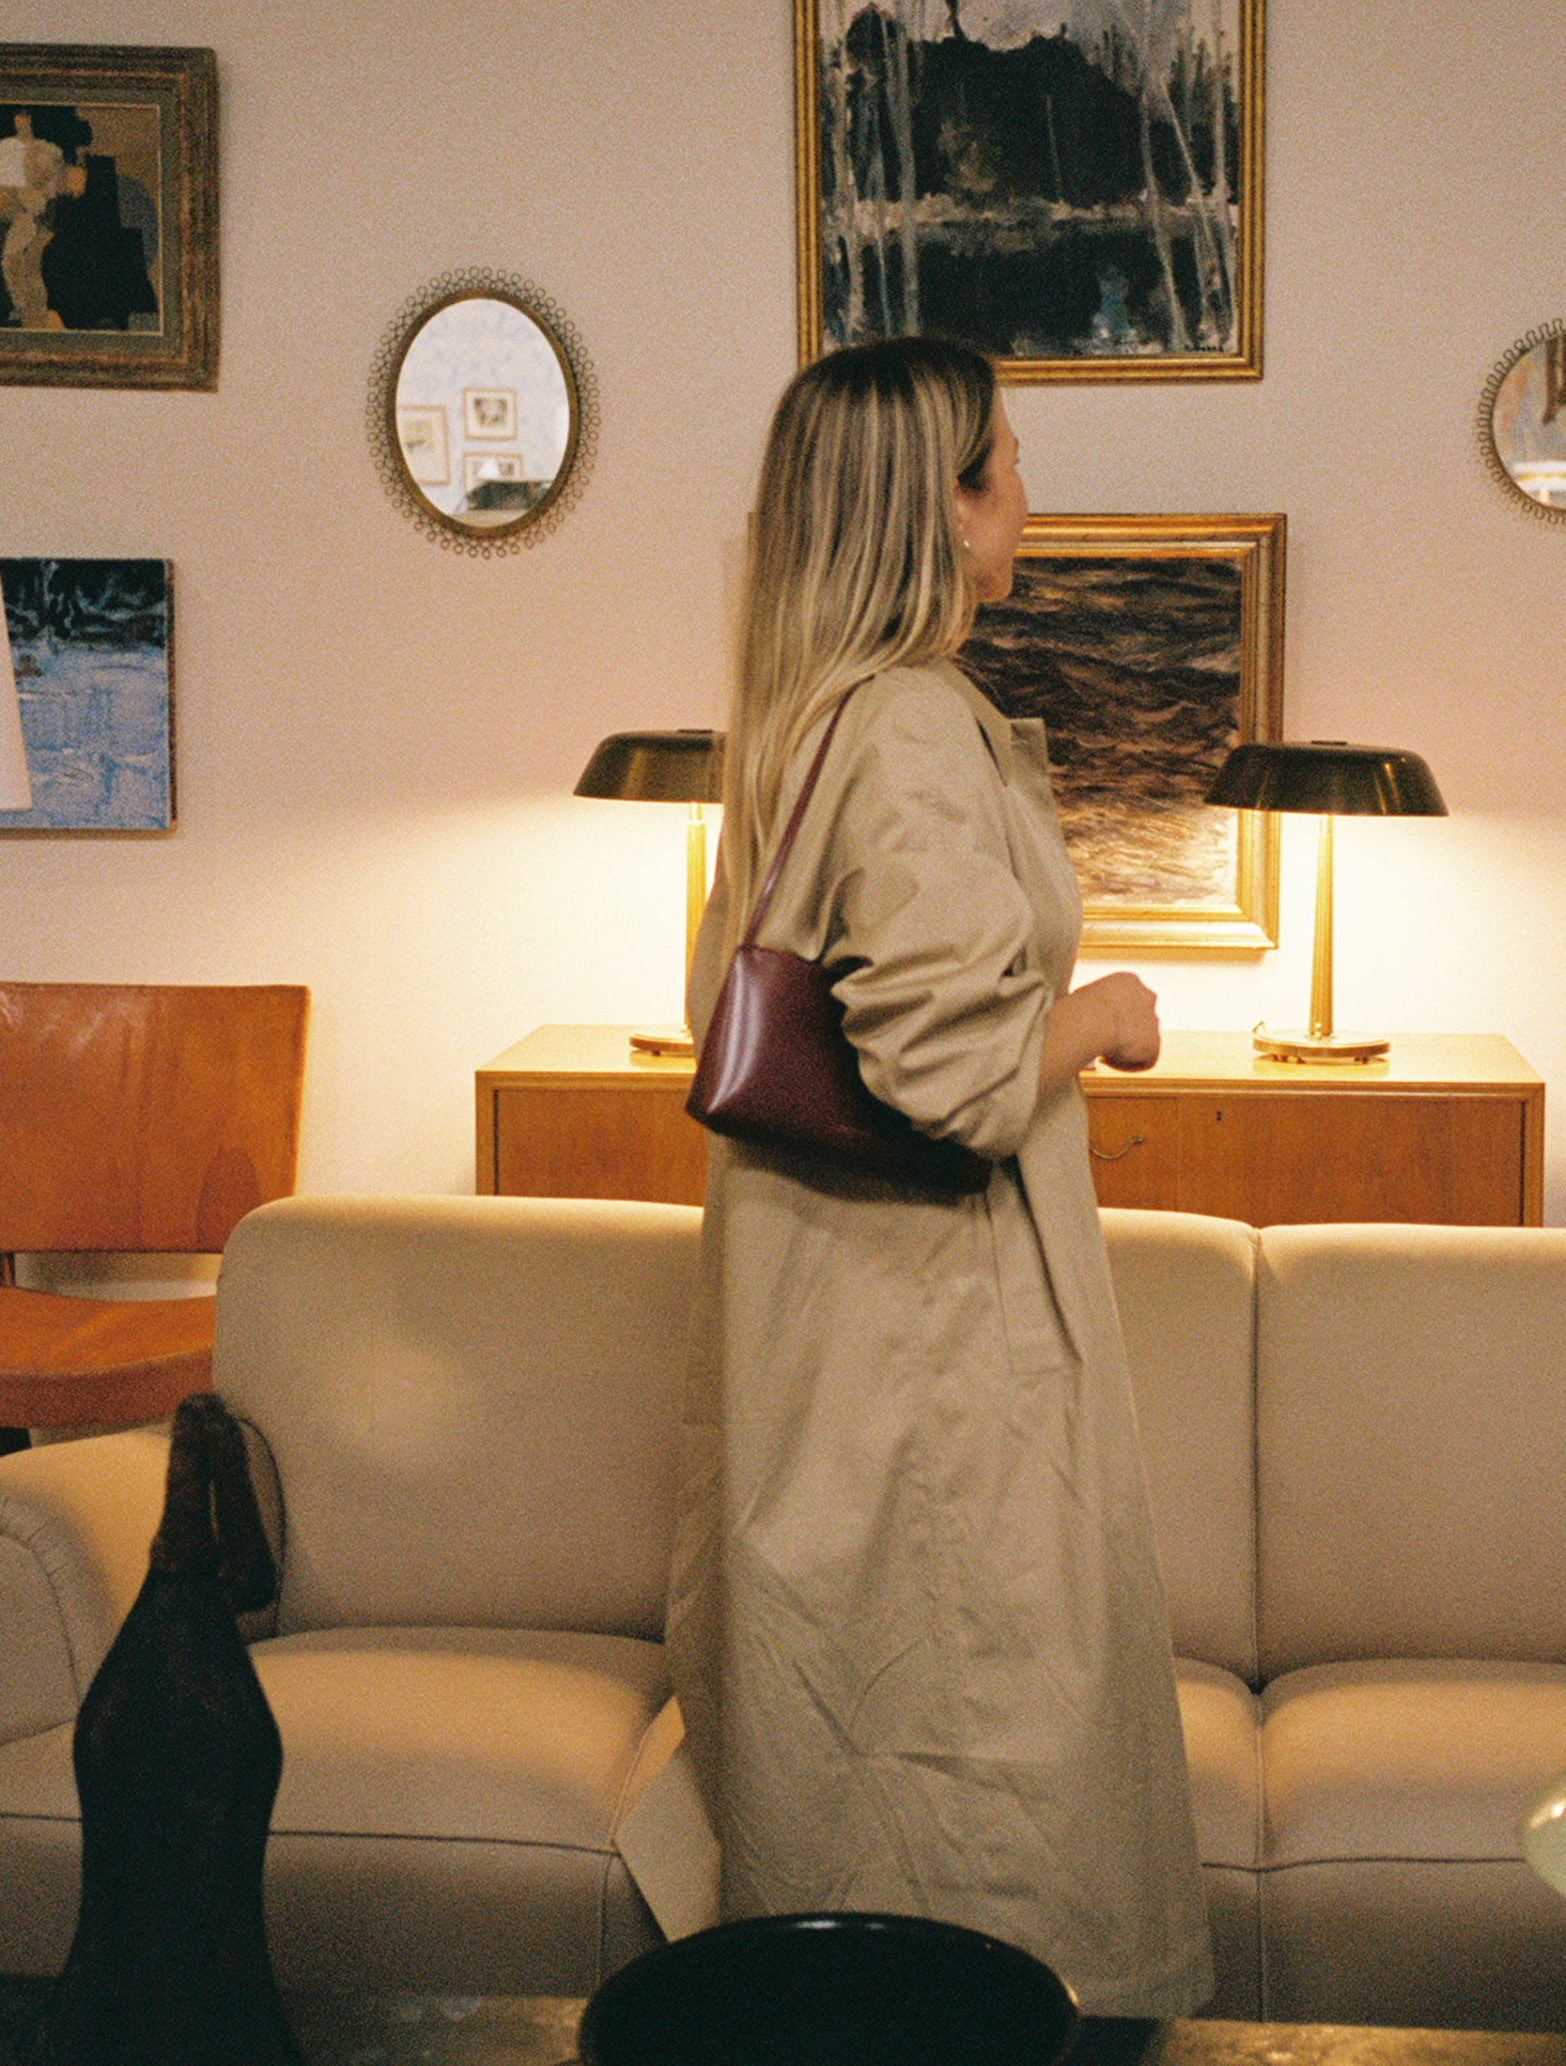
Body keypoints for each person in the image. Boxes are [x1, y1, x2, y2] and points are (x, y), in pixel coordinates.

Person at [667, 335, 1213, 2017]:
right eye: (1001, 467)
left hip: (839, 1333)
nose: (1027, 498)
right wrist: (1102, 1016)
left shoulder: (802, 722)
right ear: (929, 507)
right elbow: (951, 1073)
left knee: (871, 1784)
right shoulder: (905, 726)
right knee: (976, 1790)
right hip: (930, 1358)